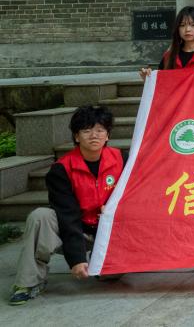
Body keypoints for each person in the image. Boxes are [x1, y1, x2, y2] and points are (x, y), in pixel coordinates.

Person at [10, 106, 123, 305]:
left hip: (109, 230)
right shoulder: (61, 169)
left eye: (100, 130)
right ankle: (28, 282)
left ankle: (102, 264)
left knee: (110, 275)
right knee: (40, 216)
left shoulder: (122, 159)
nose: (94, 136)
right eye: (86, 131)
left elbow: (136, 193)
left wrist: (117, 208)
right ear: (76, 137)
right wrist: (76, 258)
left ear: (107, 135)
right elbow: (67, 215)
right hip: (76, 229)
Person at [139, 6, 194, 79]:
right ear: (177, 29)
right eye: (182, 25)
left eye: (193, 25)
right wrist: (148, 78)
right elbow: (162, 85)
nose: (187, 29)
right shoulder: (169, 56)